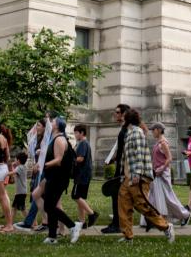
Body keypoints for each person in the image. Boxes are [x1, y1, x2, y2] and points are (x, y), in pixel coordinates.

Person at [117, 109, 174, 244]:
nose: (121, 119)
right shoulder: (130, 133)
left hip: (138, 177)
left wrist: (136, 174)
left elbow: (139, 154)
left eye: (123, 118)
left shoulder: (136, 132)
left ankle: (166, 227)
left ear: (128, 120)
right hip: (128, 177)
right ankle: (128, 236)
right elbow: (127, 157)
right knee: (123, 204)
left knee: (142, 205)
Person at [40, 116, 82, 244]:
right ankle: (52, 237)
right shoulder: (56, 138)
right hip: (55, 177)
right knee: (49, 205)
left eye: (52, 121)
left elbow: (58, 161)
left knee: (49, 205)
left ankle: (73, 226)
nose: (50, 123)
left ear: (57, 126)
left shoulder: (59, 139)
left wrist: (43, 165)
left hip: (58, 177)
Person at [141, 123, 189, 229]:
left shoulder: (163, 143)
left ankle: (185, 215)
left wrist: (161, 169)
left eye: (153, 130)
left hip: (162, 174)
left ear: (158, 130)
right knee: (153, 196)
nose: (152, 132)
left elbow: (169, 158)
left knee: (168, 198)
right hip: (156, 173)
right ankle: (152, 219)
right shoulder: (158, 142)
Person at [101, 104, 130, 234]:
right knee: (117, 196)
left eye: (117, 112)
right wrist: (112, 159)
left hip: (123, 170)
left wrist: (124, 169)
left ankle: (117, 224)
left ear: (124, 114)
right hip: (120, 168)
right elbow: (120, 150)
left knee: (119, 196)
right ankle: (116, 223)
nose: (115, 114)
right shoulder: (123, 129)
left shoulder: (126, 130)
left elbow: (126, 151)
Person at [72, 124, 98, 228]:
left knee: (75, 196)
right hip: (85, 174)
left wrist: (71, 160)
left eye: (76, 133)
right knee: (80, 198)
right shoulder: (84, 143)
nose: (75, 135)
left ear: (81, 133)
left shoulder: (82, 143)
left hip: (81, 175)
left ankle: (92, 214)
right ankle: (82, 222)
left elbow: (80, 158)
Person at [12, 151, 29, 217]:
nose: (14, 161)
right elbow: (15, 173)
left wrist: (5, 174)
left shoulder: (20, 167)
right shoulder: (22, 167)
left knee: (22, 209)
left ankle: (32, 222)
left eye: (15, 159)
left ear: (18, 160)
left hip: (20, 193)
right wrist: (14, 166)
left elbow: (12, 173)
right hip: (20, 193)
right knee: (14, 208)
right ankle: (9, 223)